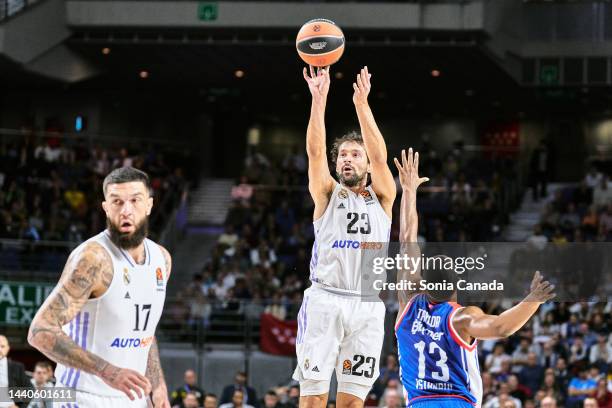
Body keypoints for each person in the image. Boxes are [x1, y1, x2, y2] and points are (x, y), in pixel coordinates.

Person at [393, 148, 556, 407]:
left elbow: (406, 240)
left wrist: (409, 191)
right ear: (457, 285)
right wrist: (533, 300)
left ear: (423, 282)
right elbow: (502, 327)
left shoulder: (408, 301)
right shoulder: (462, 317)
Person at [293, 65, 396, 408]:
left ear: (366, 164)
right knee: (314, 399)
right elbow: (315, 153)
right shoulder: (327, 193)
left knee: (352, 403)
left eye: (355, 154)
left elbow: (381, 157)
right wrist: (318, 99)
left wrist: (362, 103)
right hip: (326, 300)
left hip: (367, 303)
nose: (347, 159)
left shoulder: (382, 197)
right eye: (343, 156)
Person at [27, 167, 172, 407]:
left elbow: (145, 333)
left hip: (131, 397)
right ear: (106, 207)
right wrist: (107, 371)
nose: (126, 210)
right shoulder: (93, 258)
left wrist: (157, 385)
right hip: (82, 396)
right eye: (117, 202)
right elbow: (40, 331)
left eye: (135, 200)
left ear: (149, 205)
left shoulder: (161, 259)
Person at [0, 335, 31, 408]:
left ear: (8, 348)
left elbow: (30, 389)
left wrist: (20, 406)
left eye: (2, 346)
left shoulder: (17, 367)